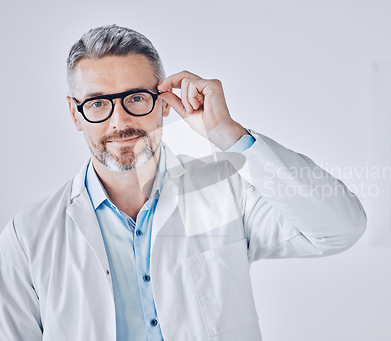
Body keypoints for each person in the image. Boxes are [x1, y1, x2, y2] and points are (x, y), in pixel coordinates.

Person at [0, 24, 367, 341]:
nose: (119, 121)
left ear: (162, 103)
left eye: (136, 98)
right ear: (74, 114)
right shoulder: (29, 235)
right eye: (98, 104)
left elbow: (340, 228)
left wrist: (229, 136)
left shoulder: (224, 194)